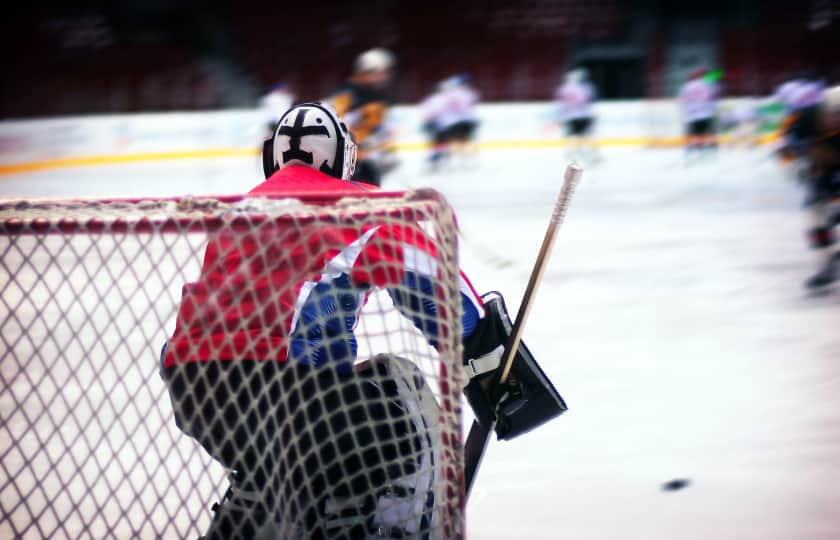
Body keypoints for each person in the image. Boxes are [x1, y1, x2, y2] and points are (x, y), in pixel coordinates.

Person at [160, 102, 567, 539]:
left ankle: (252, 514)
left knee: (281, 469)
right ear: (342, 157)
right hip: (287, 389)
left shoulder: (240, 212)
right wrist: (486, 352)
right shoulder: (358, 207)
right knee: (402, 407)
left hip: (196, 394)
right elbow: (434, 286)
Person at [778, 86, 840, 290]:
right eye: (834, 114)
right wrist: (793, 163)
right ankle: (826, 264)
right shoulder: (804, 118)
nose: (836, 120)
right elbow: (783, 143)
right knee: (814, 217)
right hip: (820, 171)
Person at [326, 48, 399, 187]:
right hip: (350, 161)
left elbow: (377, 126)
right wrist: (357, 141)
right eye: (382, 72)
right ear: (369, 71)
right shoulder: (348, 93)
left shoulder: (376, 95)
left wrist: (384, 146)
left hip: (367, 159)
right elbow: (334, 121)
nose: (386, 76)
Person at [420, 75, 481, 171]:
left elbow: (431, 113)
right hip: (461, 122)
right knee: (460, 141)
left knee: (444, 142)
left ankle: (439, 159)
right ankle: (462, 159)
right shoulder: (464, 93)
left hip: (448, 124)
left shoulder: (442, 97)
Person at [554, 68, 599, 164]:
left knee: (575, 136)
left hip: (572, 116)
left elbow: (561, 103)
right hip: (583, 115)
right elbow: (589, 100)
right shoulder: (585, 88)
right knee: (585, 136)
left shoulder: (564, 89)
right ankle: (586, 154)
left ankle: (576, 154)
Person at [678, 68, 719, 160]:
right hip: (706, 113)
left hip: (692, 115)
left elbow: (682, 101)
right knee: (708, 134)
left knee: (695, 134)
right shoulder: (708, 84)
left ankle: (694, 152)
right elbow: (713, 97)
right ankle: (710, 151)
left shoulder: (686, 86)